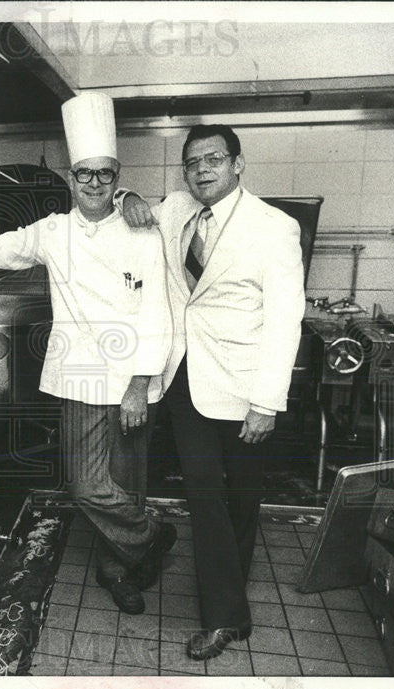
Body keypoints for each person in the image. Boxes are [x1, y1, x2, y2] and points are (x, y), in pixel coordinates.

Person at [0, 93, 177, 614]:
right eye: (85, 174)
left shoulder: (144, 230)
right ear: (71, 176)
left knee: (126, 481)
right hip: (79, 374)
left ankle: (118, 572)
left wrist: (137, 387)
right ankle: (152, 536)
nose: (96, 184)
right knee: (87, 486)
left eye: (106, 174)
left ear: (117, 174)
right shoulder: (54, 232)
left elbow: (157, 312)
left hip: (131, 377)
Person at [120, 124, 305, 658]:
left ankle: (229, 590)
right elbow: (138, 209)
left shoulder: (275, 228)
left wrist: (267, 402)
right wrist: (130, 194)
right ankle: (225, 618)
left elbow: (284, 321)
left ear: (238, 164)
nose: (202, 170)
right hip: (186, 380)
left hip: (247, 385)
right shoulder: (178, 207)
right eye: (193, 162)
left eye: (214, 160)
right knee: (204, 492)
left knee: (242, 499)